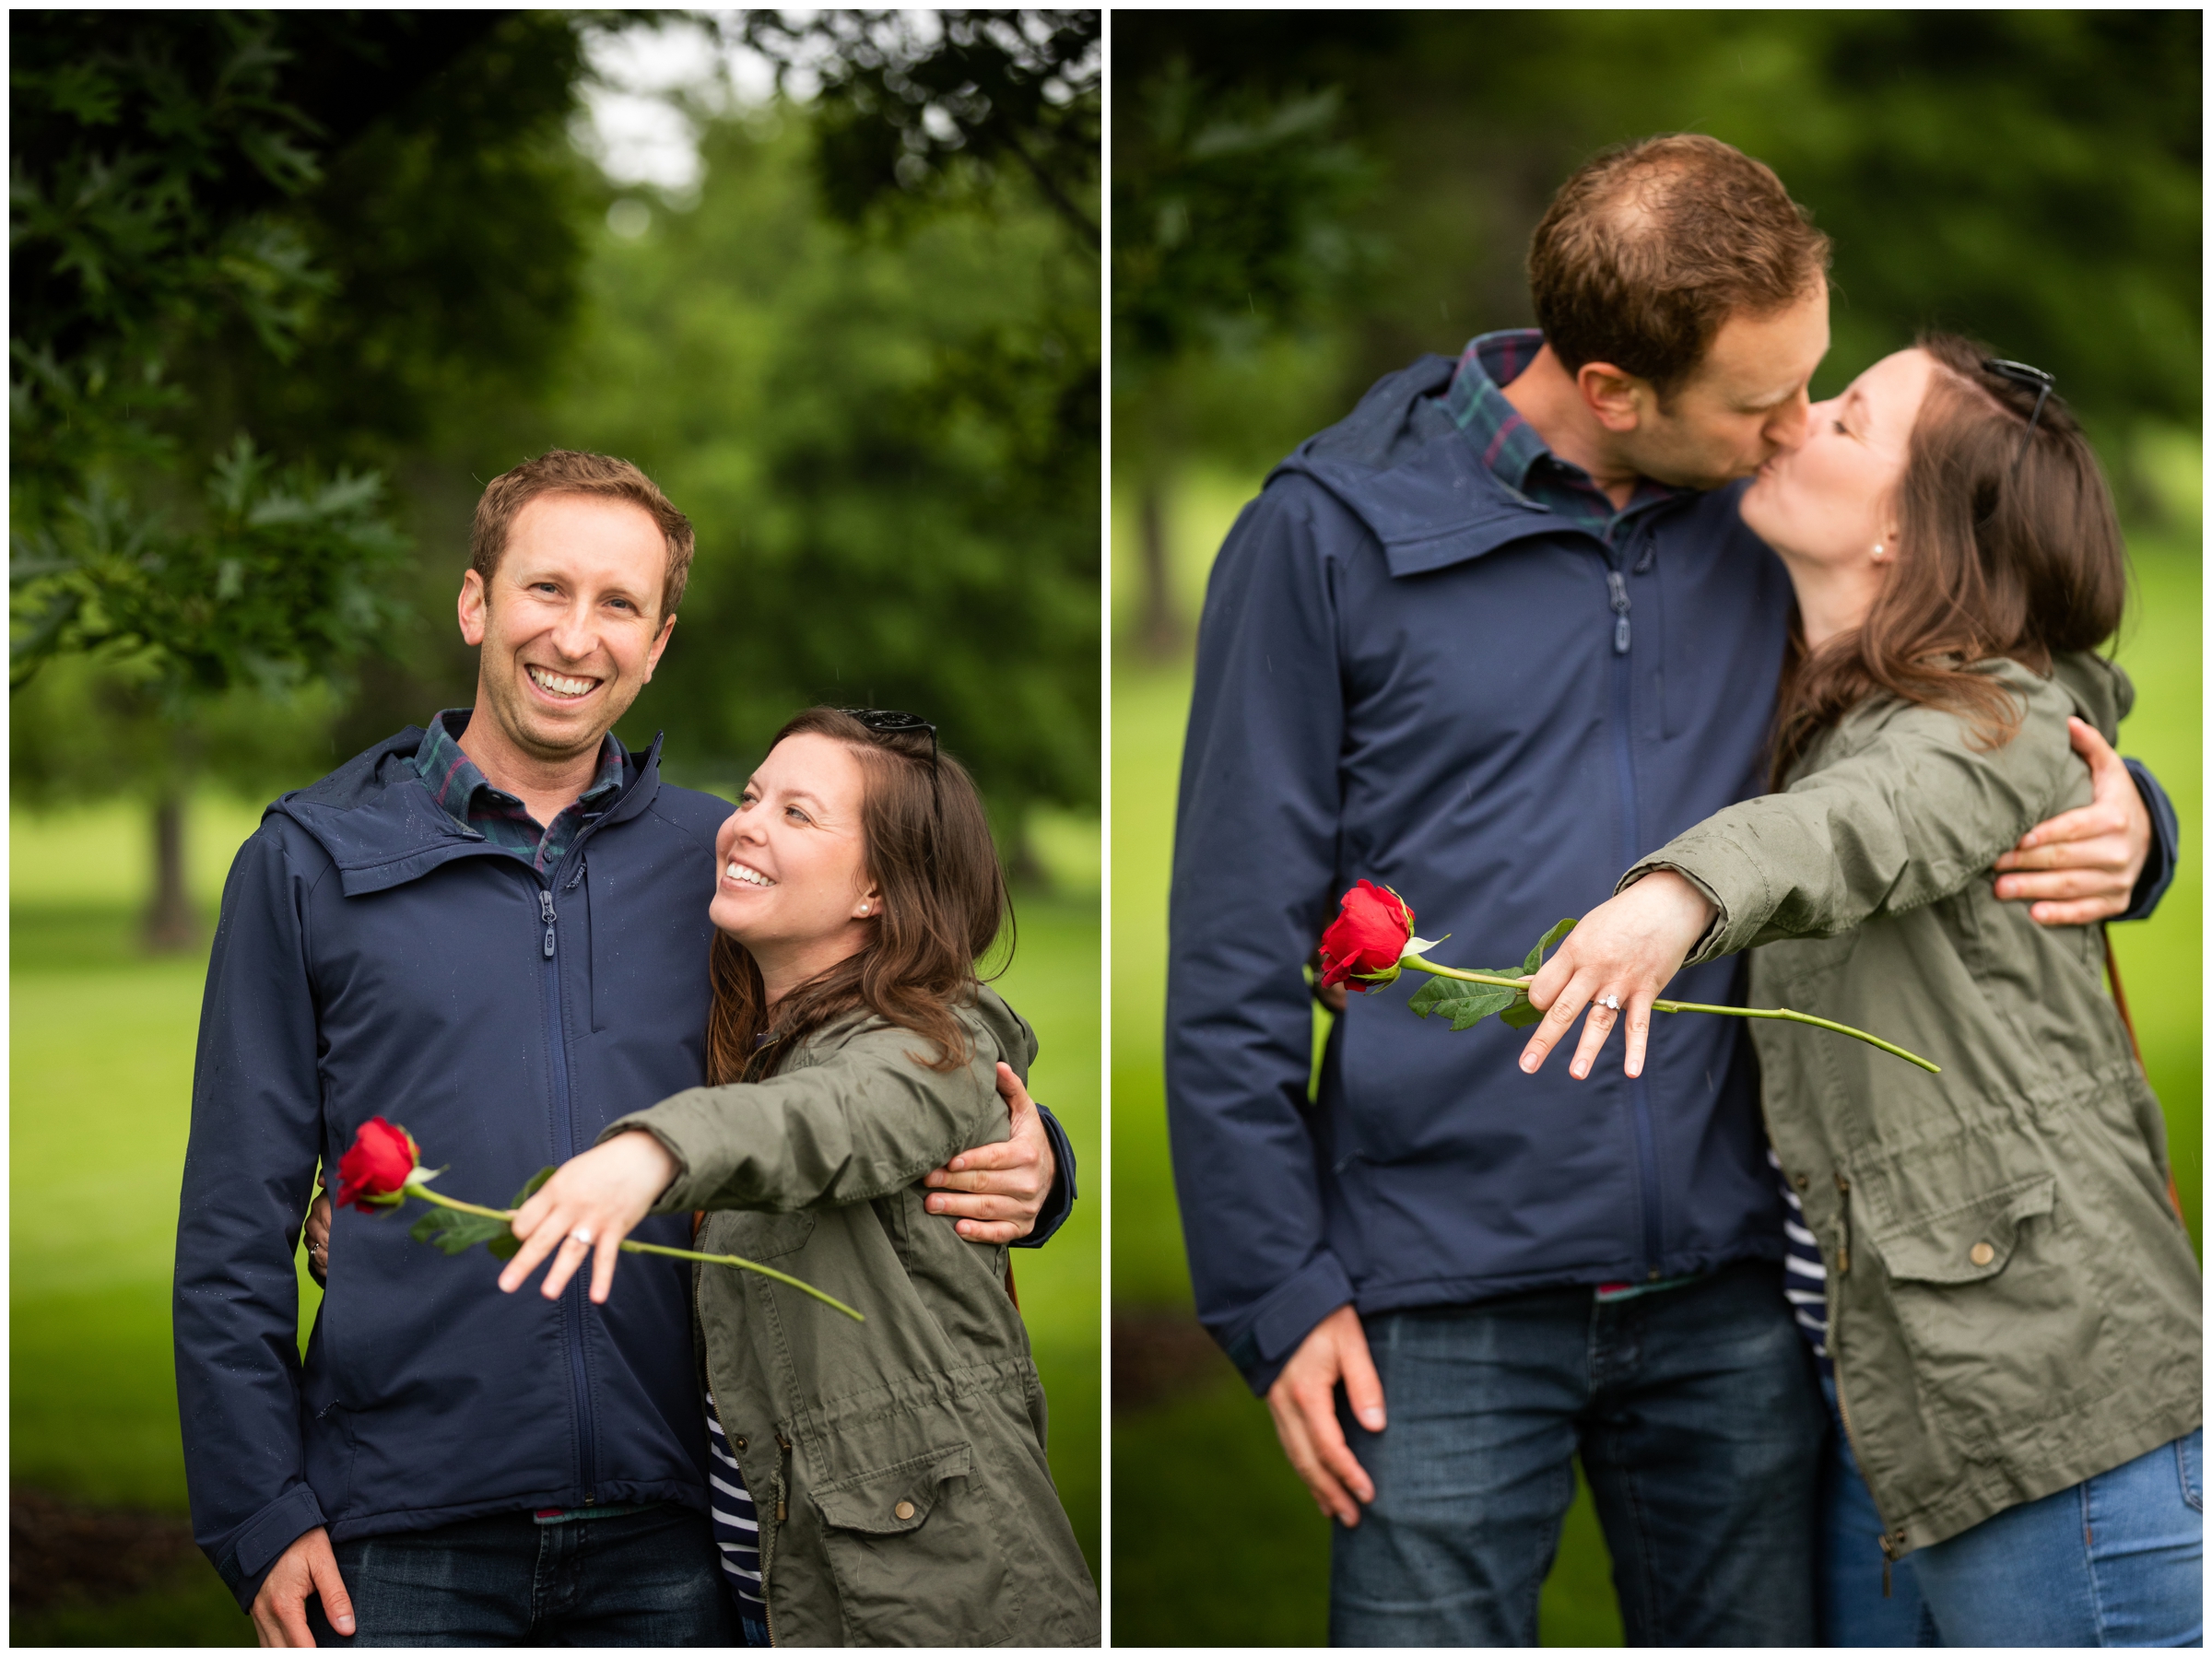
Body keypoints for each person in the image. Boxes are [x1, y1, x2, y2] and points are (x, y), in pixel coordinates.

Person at [1165, 134, 2176, 1645]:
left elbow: (1986, 663)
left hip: (1739, 1284)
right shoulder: (1327, 539)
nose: (1792, 429)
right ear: (1613, 390)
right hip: (1435, 1293)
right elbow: (1233, 949)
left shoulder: (1771, 512)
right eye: (1764, 403)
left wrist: (2134, 816)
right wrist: (1274, 1289)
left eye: (1814, 385)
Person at [175, 451, 1076, 1647]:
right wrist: (258, 1508)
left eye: (620, 605)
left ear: (657, 642)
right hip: (399, 1526)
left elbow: (896, 1043)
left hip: (680, 1524)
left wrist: (1039, 1160)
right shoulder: (309, 863)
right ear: (475, 602)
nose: (576, 636)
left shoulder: (727, 862)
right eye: (548, 589)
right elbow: (231, 1223)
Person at [1519, 335, 2202, 1647]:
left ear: (1904, 533)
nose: (1793, 421)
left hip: (2054, 1413)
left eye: (1846, 418)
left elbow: (1870, 818)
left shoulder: (1990, 717)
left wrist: (1676, 896)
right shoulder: (1818, 694)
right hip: (1889, 1409)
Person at [485, 707, 1104, 1646]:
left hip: (942, 1601)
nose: (746, 825)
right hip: (783, 1590)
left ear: (877, 892)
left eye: (799, 813)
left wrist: (652, 1150)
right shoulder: (764, 1040)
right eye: (751, 795)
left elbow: (830, 1122)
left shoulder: (928, 1047)